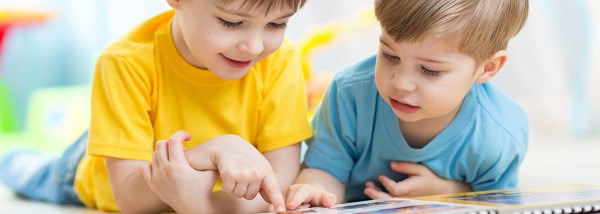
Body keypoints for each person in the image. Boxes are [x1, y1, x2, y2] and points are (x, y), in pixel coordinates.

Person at [0, 0, 312, 213]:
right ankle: (15, 160)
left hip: (181, 176)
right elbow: (131, 200)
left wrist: (201, 205)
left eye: (276, 24)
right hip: (97, 175)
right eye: (231, 22)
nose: (254, 47)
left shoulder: (280, 60)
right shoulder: (124, 62)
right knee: (32, 173)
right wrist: (210, 151)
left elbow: (280, 184)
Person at [283, 0, 529, 209]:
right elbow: (325, 171)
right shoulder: (349, 94)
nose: (400, 83)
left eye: (429, 70)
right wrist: (315, 189)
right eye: (390, 55)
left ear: (487, 68)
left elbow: (496, 204)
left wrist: (445, 192)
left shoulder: (498, 135)